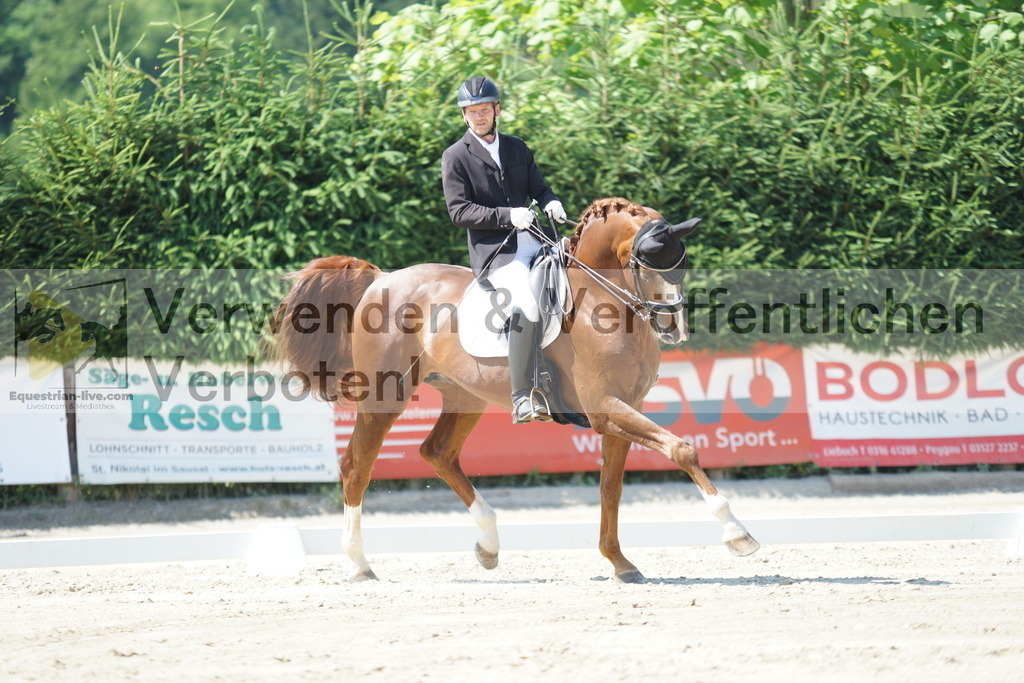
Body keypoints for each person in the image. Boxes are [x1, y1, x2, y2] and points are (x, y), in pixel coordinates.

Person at [441, 76, 568, 424]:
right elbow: (459, 212)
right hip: (497, 254)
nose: (478, 116)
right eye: (471, 112)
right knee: (527, 303)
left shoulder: (517, 147)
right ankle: (522, 396)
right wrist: (506, 216)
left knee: (575, 281)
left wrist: (551, 201)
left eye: (484, 110)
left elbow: (538, 187)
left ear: (496, 110)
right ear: (464, 116)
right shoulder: (455, 156)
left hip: (538, 241)